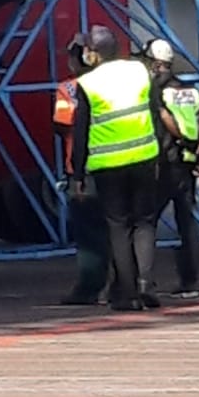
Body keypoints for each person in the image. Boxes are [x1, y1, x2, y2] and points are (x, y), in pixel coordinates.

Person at [69, 26, 163, 311]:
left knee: (118, 226)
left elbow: (81, 130)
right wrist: (156, 152)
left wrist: (78, 172)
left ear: (94, 54)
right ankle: (146, 282)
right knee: (145, 222)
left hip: (108, 164)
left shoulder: (87, 84)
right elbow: (155, 112)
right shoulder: (139, 71)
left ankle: (128, 292)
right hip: (144, 155)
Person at [145, 38, 199, 299]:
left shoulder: (155, 89)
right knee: (187, 222)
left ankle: (145, 280)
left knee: (146, 222)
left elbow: (164, 118)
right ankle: (189, 281)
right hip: (188, 162)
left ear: (153, 62)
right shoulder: (189, 89)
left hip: (165, 161)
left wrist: (179, 137)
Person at [55, 36, 113, 306]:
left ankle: (90, 287)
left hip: (82, 167)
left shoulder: (68, 88)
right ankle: (125, 282)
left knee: (89, 232)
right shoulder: (114, 85)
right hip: (117, 162)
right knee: (120, 228)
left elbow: (62, 123)